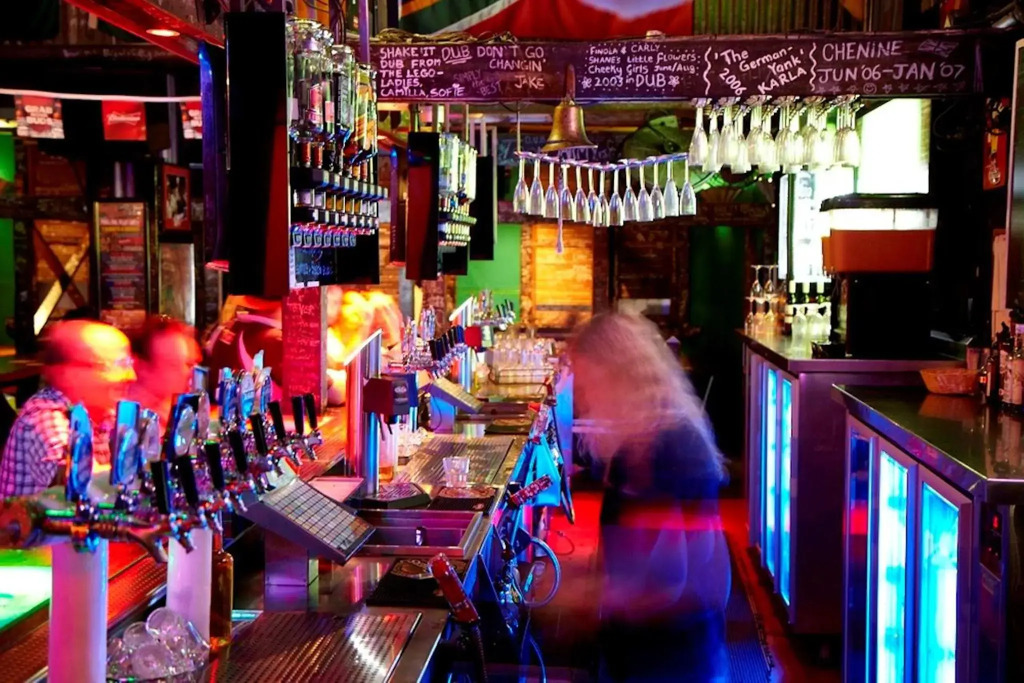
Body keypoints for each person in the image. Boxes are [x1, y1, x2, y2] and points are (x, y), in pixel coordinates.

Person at [569, 312, 731, 683]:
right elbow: (717, 577)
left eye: (589, 383)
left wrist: (577, 597)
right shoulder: (654, 441)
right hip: (678, 653)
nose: (583, 398)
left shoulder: (663, 452)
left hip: (671, 663)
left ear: (618, 376)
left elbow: (666, 587)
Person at [0, 320, 135, 497]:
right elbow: (84, 485)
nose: (132, 376)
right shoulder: (45, 418)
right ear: (69, 373)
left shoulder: (105, 411)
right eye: (118, 365)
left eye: (129, 363)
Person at [128, 316, 202, 420]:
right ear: (142, 369)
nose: (186, 373)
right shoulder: (125, 421)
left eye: (186, 363)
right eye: (173, 365)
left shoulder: (167, 408)